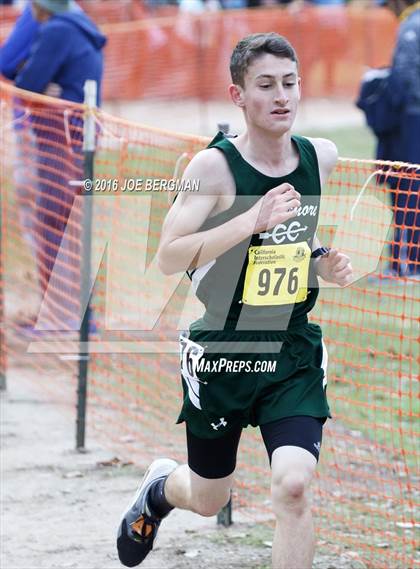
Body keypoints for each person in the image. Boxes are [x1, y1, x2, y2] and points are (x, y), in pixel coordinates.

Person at [116, 32, 353, 569]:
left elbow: (296, 241)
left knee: (293, 487)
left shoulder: (321, 157)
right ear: (237, 95)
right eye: (265, 85)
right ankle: (158, 489)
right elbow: (169, 256)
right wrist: (250, 218)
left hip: (290, 349)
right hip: (223, 349)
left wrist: (324, 264)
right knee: (209, 496)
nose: (281, 96)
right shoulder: (212, 169)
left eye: (290, 83)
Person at [10, 0, 106, 331]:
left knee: (52, 225)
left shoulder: (56, 31)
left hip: (59, 142)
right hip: (79, 142)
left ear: (40, 7)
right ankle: (76, 315)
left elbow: (25, 85)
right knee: (68, 227)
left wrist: (34, 80)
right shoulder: (81, 28)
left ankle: (61, 317)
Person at [357, 0, 419, 279]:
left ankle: (405, 265)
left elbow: (404, 82)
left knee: (408, 189)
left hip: (412, 123)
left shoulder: (412, 26)